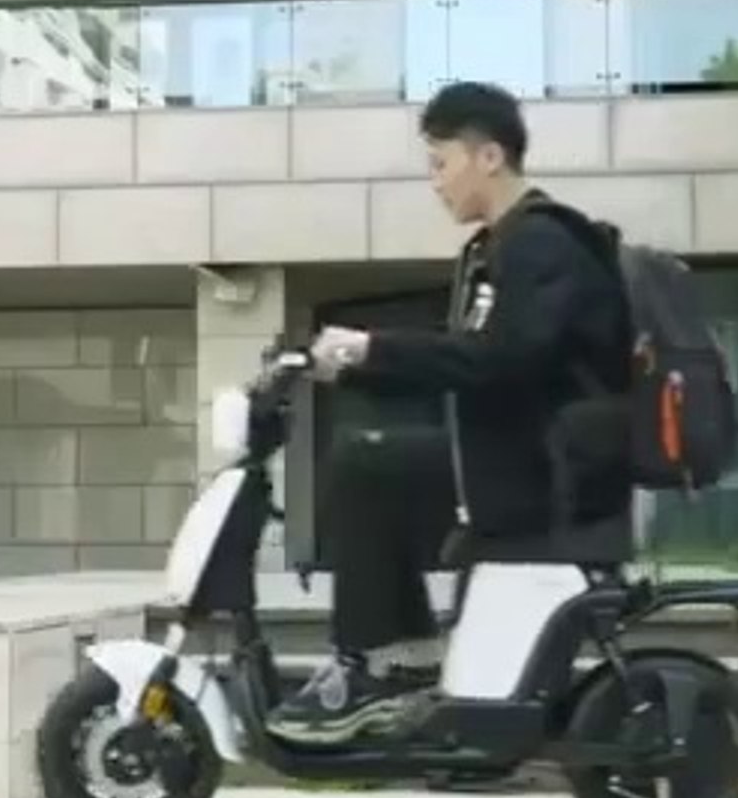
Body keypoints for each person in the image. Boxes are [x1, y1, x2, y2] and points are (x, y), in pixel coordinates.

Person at [264, 81, 638, 746]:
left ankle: (385, 664)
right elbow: (467, 361)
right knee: (375, 454)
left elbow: (500, 359)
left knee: (365, 465)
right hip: (518, 459)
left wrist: (372, 349)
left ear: (488, 157)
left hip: (553, 474)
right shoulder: (497, 246)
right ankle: (400, 660)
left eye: (441, 163)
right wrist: (355, 365)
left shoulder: (542, 242)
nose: (434, 181)